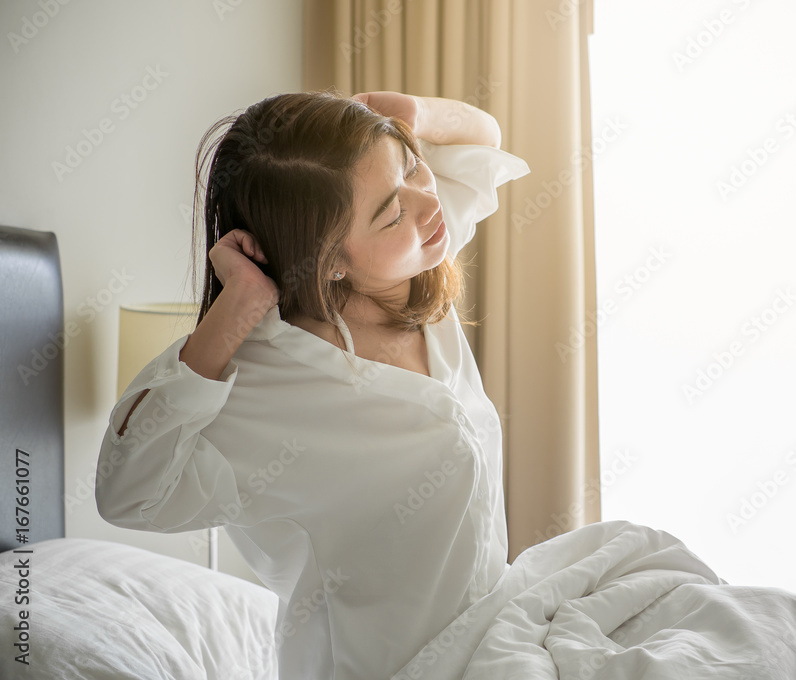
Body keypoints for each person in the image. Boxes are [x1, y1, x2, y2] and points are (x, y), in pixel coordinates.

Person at [95, 90, 531, 679]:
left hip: (497, 643)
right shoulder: (271, 380)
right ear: (330, 261)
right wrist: (234, 309)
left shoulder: (407, 251)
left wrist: (413, 116)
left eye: (414, 168)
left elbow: (483, 139)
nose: (429, 203)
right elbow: (127, 492)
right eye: (392, 212)